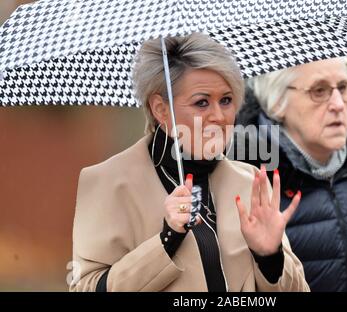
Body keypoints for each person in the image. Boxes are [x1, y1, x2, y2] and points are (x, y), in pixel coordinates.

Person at [70, 33, 309, 292]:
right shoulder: (107, 182)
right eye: (202, 102)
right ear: (161, 109)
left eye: (226, 100)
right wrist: (166, 240)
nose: (218, 116)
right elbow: (86, 287)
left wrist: (270, 258)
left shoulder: (250, 180)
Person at [233, 57, 347, 291]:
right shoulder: (250, 180)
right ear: (277, 102)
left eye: (343, 87)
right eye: (319, 91)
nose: (338, 104)